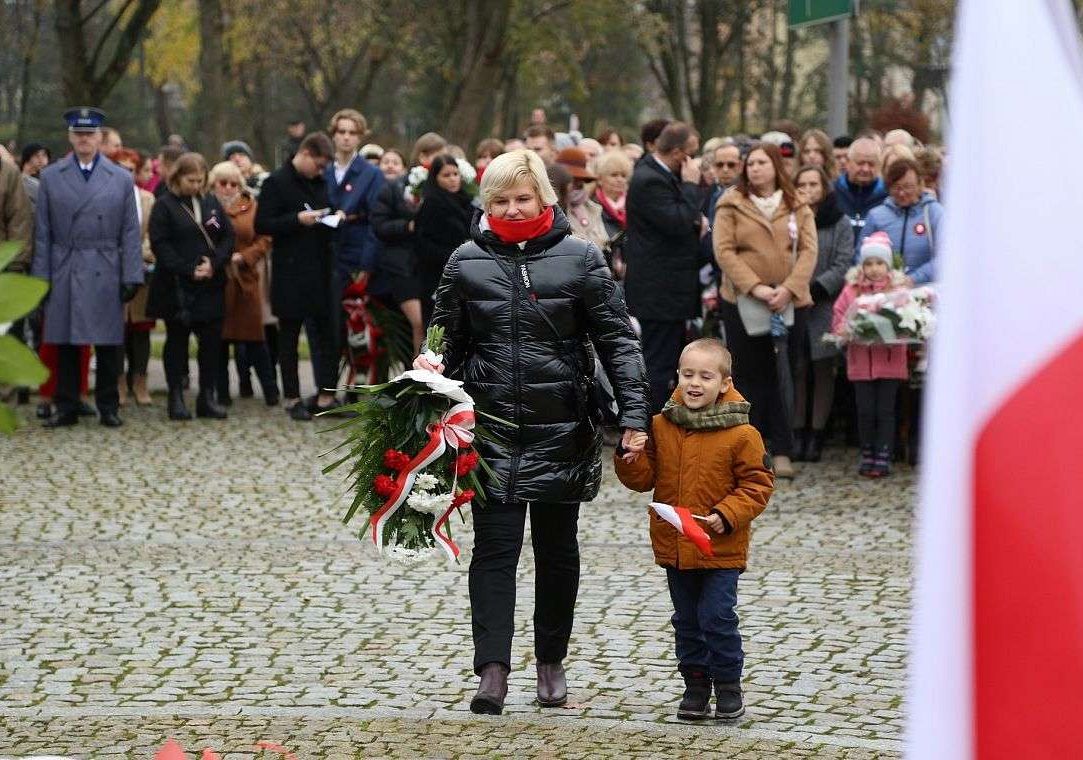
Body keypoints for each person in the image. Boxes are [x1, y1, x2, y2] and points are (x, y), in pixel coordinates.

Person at [413, 148, 650, 716]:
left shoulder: (581, 259)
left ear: (544, 197)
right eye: (501, 200)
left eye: (523, 198)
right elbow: (444, 338)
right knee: (494, 550)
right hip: (490, 428)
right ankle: (492, 669)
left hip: (561, 426)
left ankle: (551, 660)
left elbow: (617, 342)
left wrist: (635, 416)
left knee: (556, 550)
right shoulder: (465, 261)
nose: (513, 209)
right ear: (486, 204)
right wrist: (428, 370)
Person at [613, 338, 773, 721]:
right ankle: (696, 685)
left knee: (717, 617)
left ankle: (729, 684)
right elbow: (643, 479)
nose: (694, 383)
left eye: (705, 376)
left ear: (724, 383)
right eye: (688, 375)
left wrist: (727, 513)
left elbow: (758, 485)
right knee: (686, 621)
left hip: (720, 548)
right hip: (676, 545)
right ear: (677, 376)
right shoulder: (661, 425)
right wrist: (629, 455)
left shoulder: (743, 433)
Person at [31, 107, 143, 428]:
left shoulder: (120, 178)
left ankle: (108, 405)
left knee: (108, 342)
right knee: (65, 340)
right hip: (65, 263)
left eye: (89, 134)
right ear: (70, 137)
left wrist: (131, 274)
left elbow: (130, 231)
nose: (84, 139)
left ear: (99, 137)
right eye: (78, 133)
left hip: (105, 264)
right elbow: (43, 233)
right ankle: (66, 404)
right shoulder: (51, 176)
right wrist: (41, 278)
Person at [712, 142, 817, 479]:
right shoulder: (731, 203)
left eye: (762, 162)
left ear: (776, 166)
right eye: (751, 163)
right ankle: (750, 450)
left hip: (789, 301)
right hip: (743, 300)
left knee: (784, 372)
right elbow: (724, 251)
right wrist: (755, 286)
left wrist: (788, 288)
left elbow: (809, 250)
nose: (754, 168)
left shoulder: (797, 203)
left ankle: (783, 448)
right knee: (748, 374)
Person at [254, 132, 339, 420]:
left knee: (327, 333)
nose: (321, 171)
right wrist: (296, 220)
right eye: (318, 165)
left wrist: (332, 216)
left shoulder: (319, 182)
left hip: (320, 268)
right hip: (290, 272)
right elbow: (263, 223)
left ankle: (326, 395)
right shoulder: (276, 182)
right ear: (305, 154)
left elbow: (327, 205)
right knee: (289, 337)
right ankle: (291, 397)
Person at [625, 121, 707, 413]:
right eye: (691, 154)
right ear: (676, 153)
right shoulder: (650, 179)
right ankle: (649, 426)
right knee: (657, 365)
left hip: (669, 291)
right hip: (659, 292)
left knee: (668, 361)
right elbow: (678, 221)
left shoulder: (659, 173)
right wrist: (691, 186)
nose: (694, 162)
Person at [146, 152, 234, 421]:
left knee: (211, 344)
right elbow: (160, 243)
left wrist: (214, 264)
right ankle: (176, 397)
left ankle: (207, 397)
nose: (196, 185)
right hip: (177, 287)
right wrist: (187, 269)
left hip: (210, 285)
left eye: (200, 180)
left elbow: (227, 236)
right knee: (177, 343)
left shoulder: (211, 202)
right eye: (190, 180)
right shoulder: (164, 205)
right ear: (178, 178)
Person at [831, 232, 909, 477]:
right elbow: (839, 316)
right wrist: (844, 330)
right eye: (869, 263)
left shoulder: (897, 290)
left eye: (879, 263)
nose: (874, 269)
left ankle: (884, 453)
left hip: (889, 361)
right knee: (865, 410)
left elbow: (908, 319)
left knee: (885, 410)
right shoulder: (852, 290)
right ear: (862, 266)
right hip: (861, 362)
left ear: (888, 265)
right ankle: (867, 452)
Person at [790, 165, 853, 461]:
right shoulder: (789, 217)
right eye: (801, 184)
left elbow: (843, 262)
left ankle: (817, 434)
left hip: (825, 303)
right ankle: (797, 431)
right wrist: (794, 287)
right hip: (792, 300)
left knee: (823, 369)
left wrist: (816, 289)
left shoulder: (839, 221)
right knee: (798, 368)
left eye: (813, 184)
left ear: (824, 187)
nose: (807, 189)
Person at [208, 161, 278, 407]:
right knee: (219, 342)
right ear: (213, 184)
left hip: (245, 281)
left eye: (234, 184)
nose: (228, 188)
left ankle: (271, 391)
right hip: (217, 282)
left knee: (256, 339)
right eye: (223, 183)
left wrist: (245, 256)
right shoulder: (207, 208)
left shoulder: (251, 207)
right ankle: (222, 393)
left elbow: (264, 238)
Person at [110, 148, 157, 406]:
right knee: (116, 329)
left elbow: (152, 234)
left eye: (130, 170)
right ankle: (117, 381)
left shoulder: (147, 199)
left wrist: (138, 254)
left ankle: (140, 380)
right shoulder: (104, 197)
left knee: (141, 330)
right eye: (120, 169)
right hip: (112, 272)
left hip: (141, 271)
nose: (125, 174)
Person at [371, 148, 425, 354]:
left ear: (404, 168)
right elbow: (379, 225)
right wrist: (406, 226)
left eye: (395, 162)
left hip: (413, 266)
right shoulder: (383, 191)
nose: (390, 166)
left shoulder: (417, 190)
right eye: (386, 161)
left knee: (416, 325)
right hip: (391, 268)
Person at [413, 153, 474, 324]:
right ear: (436, 178)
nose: (453, 179)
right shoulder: (431, 203)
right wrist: (452, 256)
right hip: (436, 276)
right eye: (446, 175)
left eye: (455, 174)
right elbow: (422, 243)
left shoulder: (465, 201)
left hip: (463, 274)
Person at [859, 158, 941, 285]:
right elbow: (860, 256)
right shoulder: (876, 216)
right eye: (896, 188)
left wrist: (914, 278)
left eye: (908, 187)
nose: (902, 193)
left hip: (924, 290)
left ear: (920, 185)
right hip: (883, 290)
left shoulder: (934, 213)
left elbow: (946, 256)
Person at [833, 137, 887, 253]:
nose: (866, 169)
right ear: (848, 163)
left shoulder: (887, 197)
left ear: (879, 165)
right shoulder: (832, 193)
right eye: (860, 163)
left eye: (871, 164)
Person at [555, 147, 608, 250]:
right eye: (572, 179)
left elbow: (605, 243)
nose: (577, 183)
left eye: (580, 179)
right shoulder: (553, 210)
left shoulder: (592, 209)